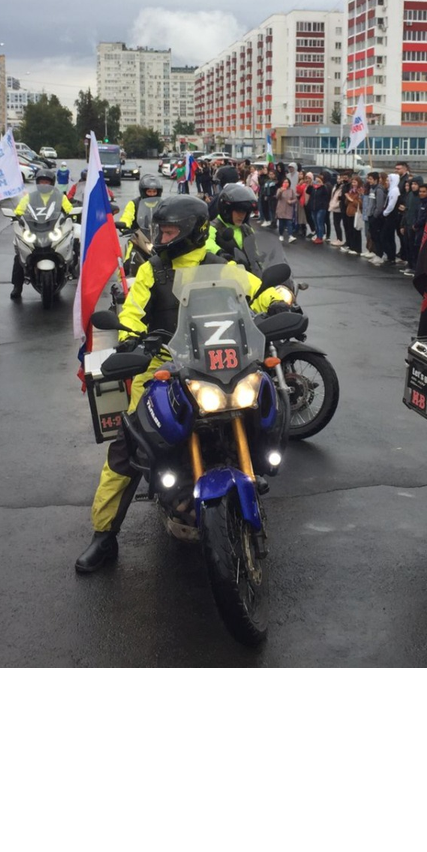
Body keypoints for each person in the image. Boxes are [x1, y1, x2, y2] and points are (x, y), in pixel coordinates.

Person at [74, 195, 286, 574]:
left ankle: (254, 467)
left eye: (170, 231)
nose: (162, 238)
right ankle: (104, 535)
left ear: (193, 231)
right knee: (128, 446)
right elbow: (133, 314)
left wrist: (279, 300)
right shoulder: (151, 272)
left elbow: (258, 291)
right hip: (163, 367)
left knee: (261, 398)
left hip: (217, 362)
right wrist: (130, 338)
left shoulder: (222, 267)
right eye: (161, 231)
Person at [9, 166, 76, 300]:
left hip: (53, 228)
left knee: (75, 240)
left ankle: (73, 268)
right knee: (19, 255)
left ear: (52, 183)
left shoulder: (60, 197)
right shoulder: (29, 197)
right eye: (41, 182)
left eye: (46, 182)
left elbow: (69, 209)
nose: (44, 184)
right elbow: (19, 211)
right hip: (35, 229)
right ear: (37, 183)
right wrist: (15, 216)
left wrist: (73, 215)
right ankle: (17, 286)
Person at [115, 174, 163, 258]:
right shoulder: (134, 204)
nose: (152, 194)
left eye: (154, 191)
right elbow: (127, 217)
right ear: (143, 192)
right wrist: (124, 225)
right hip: (138, 239)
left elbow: (170, 217)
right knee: (129, 257)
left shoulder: (163, 204)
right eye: (149, 191)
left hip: (159, 239)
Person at [274, 172, 297, 240]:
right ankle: (281, 235)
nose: (286, 183)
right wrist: (281, 191)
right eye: (284, 182)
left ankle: (290, 236)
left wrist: (291, 201)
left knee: (289, 223)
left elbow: (295, 199)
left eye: (287, 182)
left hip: (288, 209)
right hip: (281, 209)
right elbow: (277, 197)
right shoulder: (279, 189)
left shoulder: (291, 190)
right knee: (281, 223)